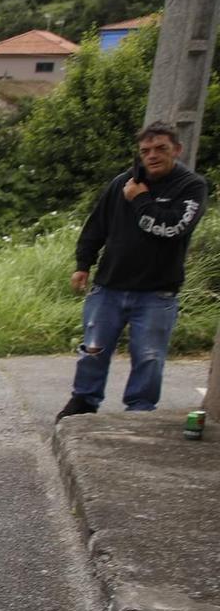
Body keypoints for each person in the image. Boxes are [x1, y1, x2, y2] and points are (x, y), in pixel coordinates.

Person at [56, 123, 207, 419]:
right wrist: (83, 264)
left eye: (161, 149)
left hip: (156, 292)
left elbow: (173, 228)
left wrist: (139, 199)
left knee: (149, 358)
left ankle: (140, 411)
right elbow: (97, 225)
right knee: (92, 351)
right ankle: (84, 401)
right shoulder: (122, 183)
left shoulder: (190, 186)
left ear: (177, 150)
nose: (152, 156)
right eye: (145, 150)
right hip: (109, 286)